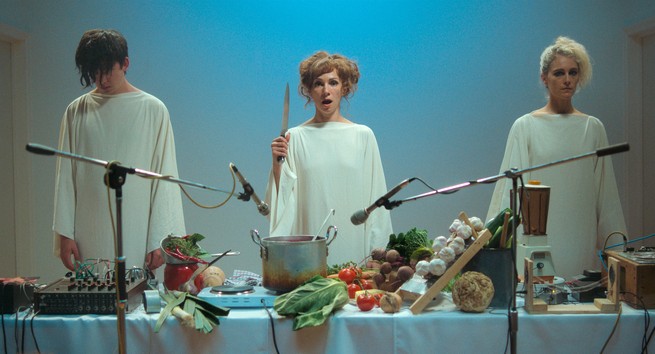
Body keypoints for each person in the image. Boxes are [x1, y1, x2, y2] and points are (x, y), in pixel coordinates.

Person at [486, 36, 627, 279]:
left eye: (573, 73)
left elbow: (607, 195)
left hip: (579, 237)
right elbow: (509, 196)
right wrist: (499, 249)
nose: (567, 80)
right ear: (544, 78)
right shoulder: (525, 126)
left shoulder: (592, 128)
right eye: (559, 73)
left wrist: (614, 253)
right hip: (538, 239)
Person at [52, 29, 186, 274]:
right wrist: (64, 234)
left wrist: (160, 239)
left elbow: (165, 176)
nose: (101, 79)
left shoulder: (153, 109)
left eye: (107, 70)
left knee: (135, 297)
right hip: (88, 229)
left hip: (138, 227)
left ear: (125, 64)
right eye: (94, 72)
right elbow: (65, 178)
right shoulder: (76, 111)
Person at [265, 51, 393, 266]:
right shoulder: (294, 137)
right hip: (310, 249)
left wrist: (378, 253)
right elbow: (283, 204)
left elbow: (377, 198)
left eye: (333, 83)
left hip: (354, 244)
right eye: (318, 84)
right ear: (308, 90)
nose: (326, 91)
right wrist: (277, 166)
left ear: (344, 88)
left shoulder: (363, 136)